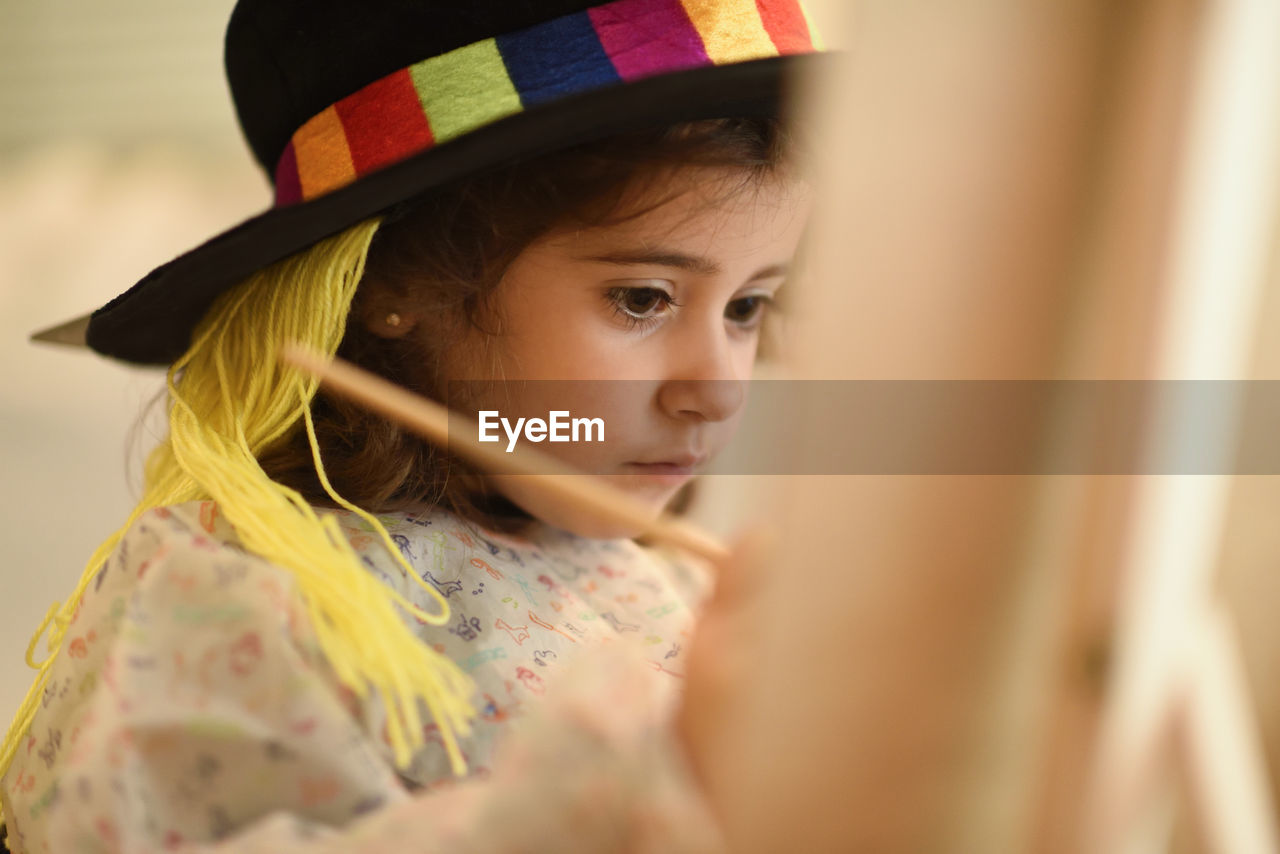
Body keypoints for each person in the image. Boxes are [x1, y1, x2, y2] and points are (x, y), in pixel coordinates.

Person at [0, 1, 820, 850]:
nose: (719, 391)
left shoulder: (661, 580)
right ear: (399, 285)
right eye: (642, 299)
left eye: (749, 305)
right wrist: (612, 797)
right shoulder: (241, 593)